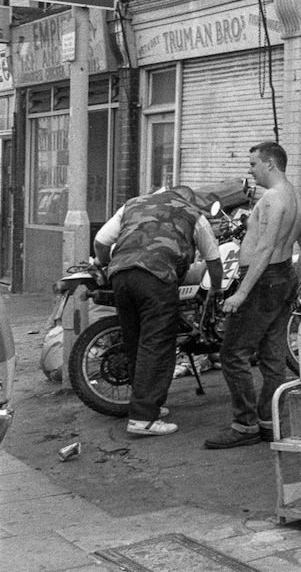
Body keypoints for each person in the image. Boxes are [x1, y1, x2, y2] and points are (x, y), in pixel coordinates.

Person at [205, 142, 301, 449]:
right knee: (272, 357)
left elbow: (265, 248)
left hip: (262, 280)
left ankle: (245, 425)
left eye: (253, 164)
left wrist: (241, 293)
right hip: (283, 280)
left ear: (270, 164)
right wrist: (295, 286)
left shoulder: (271, 199)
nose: (250, 170)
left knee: (232, 353)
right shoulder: (298, 199)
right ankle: (269, 423)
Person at [94, 186, 223, 437]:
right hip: (156, 279)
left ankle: (145, 404)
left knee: (135, 343)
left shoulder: (133, 204)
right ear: (188, 199)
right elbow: (214, 262)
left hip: (120, 276)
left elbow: (101, 241)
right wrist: (215, 290)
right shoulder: (193, 214)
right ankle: (144, 418)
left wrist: (104, 262)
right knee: (157, 346)